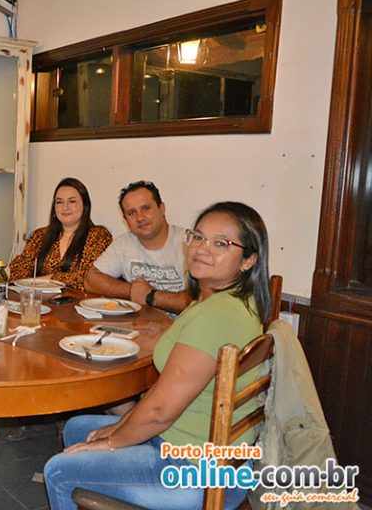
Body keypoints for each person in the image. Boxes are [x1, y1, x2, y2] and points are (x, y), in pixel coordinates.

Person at [44, 201, 271, 510]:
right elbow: (163, 396)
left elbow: (160, 412)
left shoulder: (216, 315)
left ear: (248, 260)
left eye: (220, 243)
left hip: (193, 471)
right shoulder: (227, 302)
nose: (202, 248)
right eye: (198, 237)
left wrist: (112, 441)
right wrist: (120, 427)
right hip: (192, 441)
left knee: (59, 471)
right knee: (77, 429)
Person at [84, 181, 190, 314]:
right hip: (138, 324)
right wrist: (132, 291)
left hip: (182, 326)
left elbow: (202, 302)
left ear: (161, 208)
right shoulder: (123, 243)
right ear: (125, 220)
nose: (140, 217)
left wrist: (151, 296)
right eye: (132, 213)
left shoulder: (190, 242)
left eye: (146, 208)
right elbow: (91, 280)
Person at [9, 178, 112, 291]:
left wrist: (45, 280)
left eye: (72, 201)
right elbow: (16, 271)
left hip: (78, 301)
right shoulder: (40, 236)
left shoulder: (98, 236)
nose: (65, 207)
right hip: (39, 300)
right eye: (59, 202)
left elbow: (87, 279)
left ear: (85, 205)